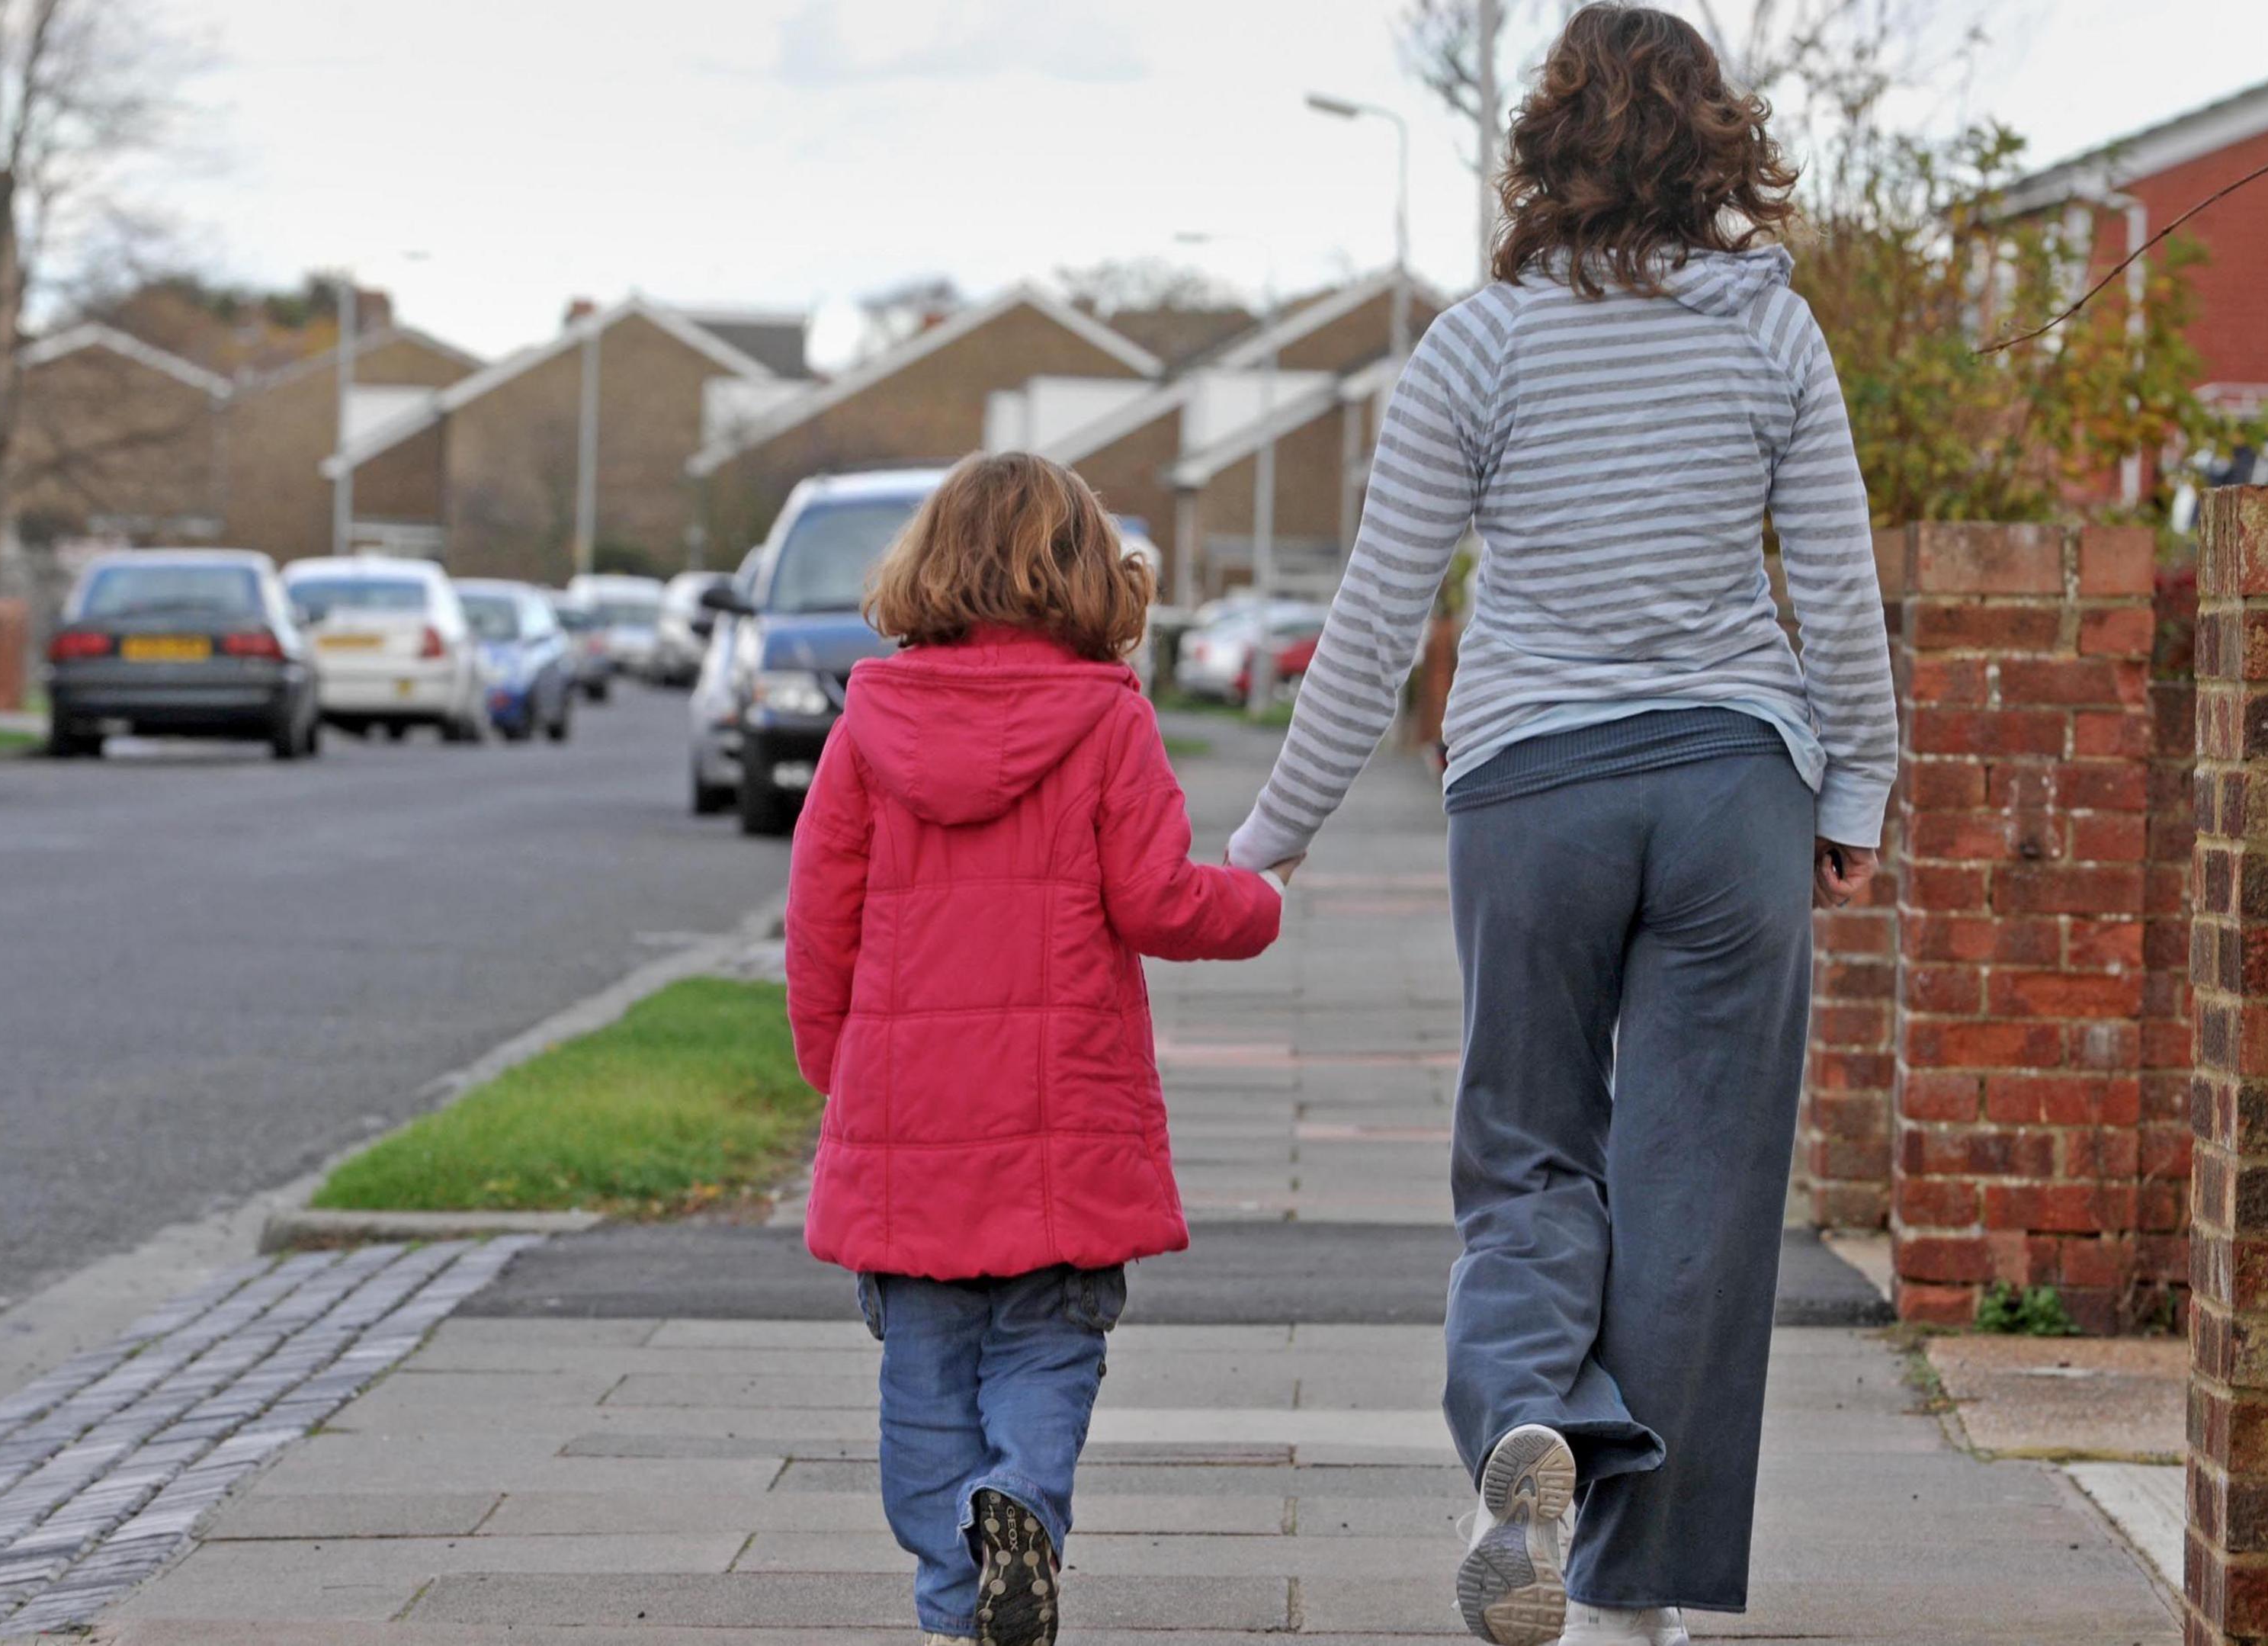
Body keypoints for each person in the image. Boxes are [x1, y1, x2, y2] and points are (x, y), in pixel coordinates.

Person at [1223, 9, 1897, 1645]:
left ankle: (1531, 1421)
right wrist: (1858, 786)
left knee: (1527, 1156)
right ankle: (1626, 1604)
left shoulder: (1479, 345)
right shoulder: (1770, 334)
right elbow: (1839, 585)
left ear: (1546, 147)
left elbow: (1375, 626)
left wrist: (1268, 842)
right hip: (1737, 787)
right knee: (1698, 1194)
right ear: (1713, 141)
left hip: (1534, 791)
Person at [784, 452, 1295, 1646]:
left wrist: (840, 1074)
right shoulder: (1108, 718)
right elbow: (1160, 899)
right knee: (1048, 1348)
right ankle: (1019, 1497)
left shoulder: (871, 725)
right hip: (1064, 1132)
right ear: (1086, 575)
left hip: (912, 1130)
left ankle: (956, 1590)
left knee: (923, 1385)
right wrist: (1260, 899)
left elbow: (820, 921)